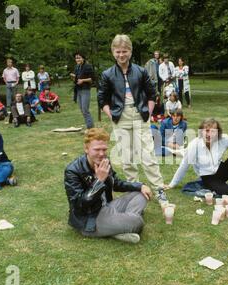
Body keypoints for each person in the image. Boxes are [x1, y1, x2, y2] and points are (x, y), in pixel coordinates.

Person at [98, 34, 168, 203]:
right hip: (120, 118)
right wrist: (112, 115)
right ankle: (134, 190)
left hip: (140, 116)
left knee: (148, 155)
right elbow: (102, 99)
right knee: (127, 156)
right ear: (113, 52)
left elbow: (152, 94)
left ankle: (159, 190)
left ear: (130, 51)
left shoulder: (141, 71)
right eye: (118, 52)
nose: (121, 55)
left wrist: (148, 113)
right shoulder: (107, 74)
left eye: (124, 51)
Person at [64, 128, 153, 244]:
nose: (101, 154)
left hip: (108, 207)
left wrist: (140, 186)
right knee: (137, 221)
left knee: (140, 195)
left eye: (104, 149)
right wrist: (99, 181)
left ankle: (118, 226)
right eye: (96, 150)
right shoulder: (73, 170)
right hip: (91, 218)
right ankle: (121, 225)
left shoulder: (104, 161)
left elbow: (116, 183)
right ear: (86, 149)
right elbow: (79, 205)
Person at [70, 52, 95, 128]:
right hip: (78, 90)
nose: (77, 59)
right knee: (82, 110)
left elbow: (92, 79)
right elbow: (76, 79)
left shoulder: (88, 66)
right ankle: (89, 126)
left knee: (85, 110)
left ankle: (91, 128)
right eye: (76, 58)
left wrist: (83, 80)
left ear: (83, 58)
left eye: (79, 57)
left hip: (85, 90)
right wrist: (73, 77)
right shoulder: (77, 67)